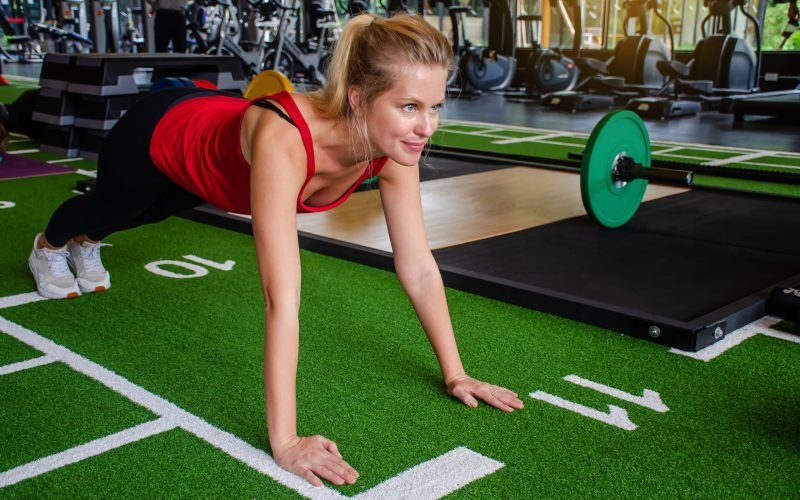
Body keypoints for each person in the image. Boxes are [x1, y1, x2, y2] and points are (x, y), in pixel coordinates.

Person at [27, 12, 525, 486]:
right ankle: (51, 246)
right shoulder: (285, 140)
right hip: (161, 132)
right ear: (357, 98)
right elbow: (279, 298)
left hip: (218, 163)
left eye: (435, 106)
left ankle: (87, 242)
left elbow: (417, 267)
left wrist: (456, 373)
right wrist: (285, 440)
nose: (427, 126)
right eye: (410, 106)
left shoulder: (394, 149)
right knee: (116, 210)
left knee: (155, 213)